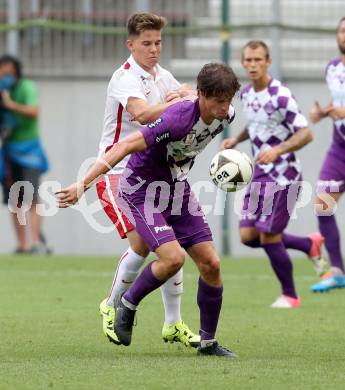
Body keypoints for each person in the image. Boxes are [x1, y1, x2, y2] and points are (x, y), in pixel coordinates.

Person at [57, 62, 240, 357]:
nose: (225, 107)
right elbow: (126, 144)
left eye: (229, 100)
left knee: (211, 264)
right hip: (140, 188)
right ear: (204, 97)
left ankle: (208, 343)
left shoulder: (226, 114)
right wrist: (83, 184)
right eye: (219, 100)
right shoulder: (177, 119)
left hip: (176, 189)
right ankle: (126, 304)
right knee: (173, 258)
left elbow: (197, 100)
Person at [95, 13, 199, 347]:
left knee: (169, 242)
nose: (154, 49)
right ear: (131, 45)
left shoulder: (160, 75)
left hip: (150, 172)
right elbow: (142, 114)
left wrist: (187, 95)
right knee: (142, 243)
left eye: (158, 43)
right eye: (146, 44)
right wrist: (174, 101)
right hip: (115, 172)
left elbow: (185, 100)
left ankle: (173, 323)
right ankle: (111, 305)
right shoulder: (125, 78)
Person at [222, 40, 324, 309]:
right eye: (249, 60)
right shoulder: (245, 93)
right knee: (248, 236)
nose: (253, 65)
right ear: (243, 63)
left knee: (269, 237)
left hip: (284, 176)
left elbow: (306, 133)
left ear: (268, 62)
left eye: (258, 60)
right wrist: (237, 139)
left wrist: (278, 150)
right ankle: (307, 244)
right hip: (260, 175)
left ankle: (290, 295)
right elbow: (257, 124)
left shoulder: (281, 95)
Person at [0, 55, 51, 254]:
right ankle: (23, 245)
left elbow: (33, 111)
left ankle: (36, 243)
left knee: (32, 197)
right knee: (15, 199)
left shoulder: (26, 88)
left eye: (9, 74)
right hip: (8, 151)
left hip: (30, 151)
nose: (5, 77)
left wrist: (10, 104)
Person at [309, 17, 345, 292]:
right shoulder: (332, 68)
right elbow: (339, 102)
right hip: (340, 148)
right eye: (343, 30)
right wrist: (324, 112)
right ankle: (337, 271)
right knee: (323, 205)